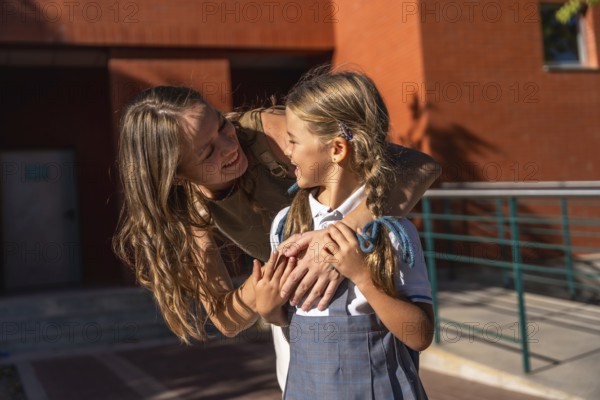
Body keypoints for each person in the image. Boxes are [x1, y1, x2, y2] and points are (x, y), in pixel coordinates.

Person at [112, 79, 439, 345]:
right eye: (208, 151)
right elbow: (225, 319)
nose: (230, 146)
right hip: (300, 312)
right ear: (178, 176)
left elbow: (418, 166)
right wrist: (272, 284)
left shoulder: (272, 136)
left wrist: (334, 239)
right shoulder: (189, 212)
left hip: (365, 293)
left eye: (222, 125)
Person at [252, 70, 434, 399]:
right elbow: (289, 319)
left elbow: (420, 335)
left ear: (336, 149)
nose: (287, 152)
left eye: (293, 140)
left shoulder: (393, 232)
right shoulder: (285, 225)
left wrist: (363, 278)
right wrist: (268, 309)